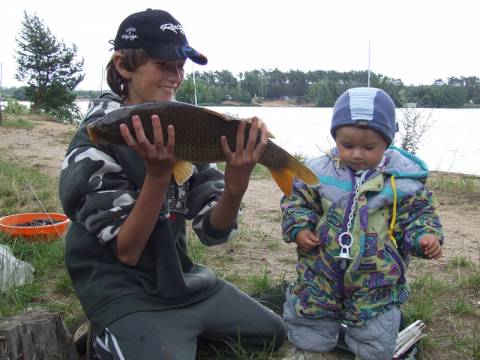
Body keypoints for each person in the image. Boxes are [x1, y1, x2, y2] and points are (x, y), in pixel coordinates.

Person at [59, 9, 285, 359]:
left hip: (180, 281)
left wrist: (236, 183)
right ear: (123, 65)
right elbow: (127, 251)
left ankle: (175, 337)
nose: (176, 77)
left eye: (181, 67)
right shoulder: (96, 140)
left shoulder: (181, 124)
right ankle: (108, 338)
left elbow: (213, 233)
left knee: (273, 333)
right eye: (165, 65)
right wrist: (158, 175)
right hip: (121, 291)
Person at [280, 87, 444, 360]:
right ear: (335, 138)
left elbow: (418, 215)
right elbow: (297, 201)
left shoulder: (402, 182)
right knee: (310, 323)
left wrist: (424, 237)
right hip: (319, 276)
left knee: (374, 335)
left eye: (369, 147)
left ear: (387, 141)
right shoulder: (317, 172)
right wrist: (299, 228)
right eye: (347, 145)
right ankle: (308, 352)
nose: (357, 154)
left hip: (377, 283)